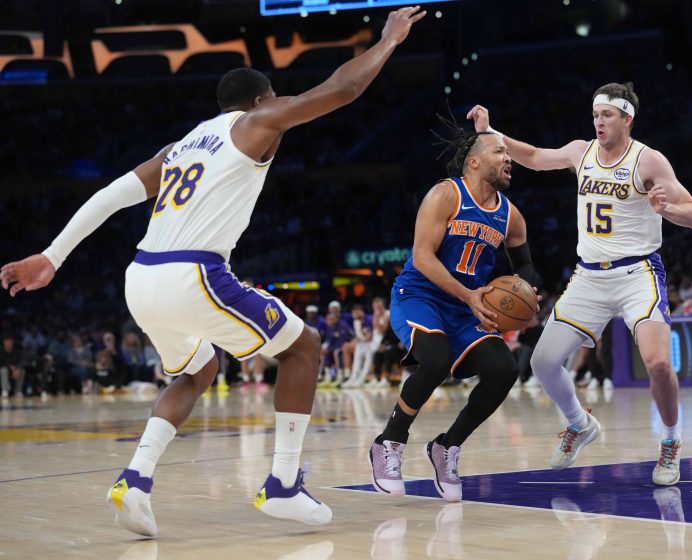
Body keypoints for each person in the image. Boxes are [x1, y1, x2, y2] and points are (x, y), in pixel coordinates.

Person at [0, 6, 425, 536]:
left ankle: (135, 479)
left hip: (141, 276)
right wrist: (388, 40)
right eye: (276, 103)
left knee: (196, 371)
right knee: (304, 347)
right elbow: (341, 90)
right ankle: (284, 483)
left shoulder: (178, 147)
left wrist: (52, 256)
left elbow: (110, 196)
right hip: (192, 274)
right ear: (261, 100)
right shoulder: (257, 121)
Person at [468, 81, 692, 486]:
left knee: (659, 363)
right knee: (542, 362)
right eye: (595, 114)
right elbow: (537, 158)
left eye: (607, 115)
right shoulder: (581, 151)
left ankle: (670, 440)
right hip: (590, 276)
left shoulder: (649, 161)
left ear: (627, 118)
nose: (599, 121)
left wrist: (668, 209)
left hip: (637, 273)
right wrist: (491, 134)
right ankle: (579, 424)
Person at [368, 115, 538, 502]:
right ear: (474, 161)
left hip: (468, 307)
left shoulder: (510, 215)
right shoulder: (446, 195)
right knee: (435, 359)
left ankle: (447, 446)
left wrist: (529, 291)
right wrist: (469, 296)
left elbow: (524, 266)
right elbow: (423, 258)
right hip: (420, 295)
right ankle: (389, 442)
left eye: (509, 153)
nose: (509, 158)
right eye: (500, 151)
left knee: (504, 369)